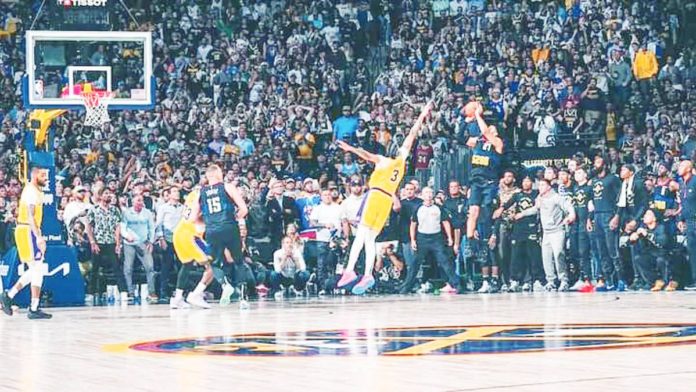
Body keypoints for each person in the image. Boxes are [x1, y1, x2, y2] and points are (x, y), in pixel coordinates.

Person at [336, 101, 433, 295]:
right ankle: (367, 274)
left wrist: (350, 148)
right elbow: (412, 135)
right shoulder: (401, 162)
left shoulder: (383, 160)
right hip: (387, 200)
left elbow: (365, 155)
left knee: (360, 236)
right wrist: (423, 114)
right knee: (370, 239)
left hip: (375, 195)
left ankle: (349, 270)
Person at [188, 164, 248, 305]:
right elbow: (244, 209)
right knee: (239, 262)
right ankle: (244, 298)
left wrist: (207, 219)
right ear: (217, 174)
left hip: (212, 230)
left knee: (214, 264)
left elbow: (192, 218)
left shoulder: (200, 193)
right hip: (229, 227)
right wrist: (236, 218)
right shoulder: (227, 187)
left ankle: (225, 284)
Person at [0, 167, 52, 319]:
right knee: (37, 268)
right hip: (27, 230)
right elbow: (30, 216)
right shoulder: (30, 191)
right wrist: (39, 237)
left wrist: (39, 234)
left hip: (30, 230)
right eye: (43, 175)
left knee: (37, 269)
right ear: (35, 175)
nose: (46, 178)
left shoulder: (37, 191)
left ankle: (14, 298)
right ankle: (26, 304)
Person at [519, 178, 575, 291]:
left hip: (557, 231)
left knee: (559, 255)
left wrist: (571, 216)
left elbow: (568, 206)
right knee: (546, 257)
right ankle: (551, 281)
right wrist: (522, 214)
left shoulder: (556, 197)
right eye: (539, 185)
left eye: (543, 185)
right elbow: (536, 209)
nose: (540, 187)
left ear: (549, 186)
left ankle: (563, 280)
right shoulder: (540, 199)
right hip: (546, 233)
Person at [465, 104, 504, 266]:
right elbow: (463, 138)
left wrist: (478, 115)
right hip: (476, 180)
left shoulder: (498, 142)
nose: (490, 130)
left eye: (493, 129)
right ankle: (469, 242)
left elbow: (487, 131)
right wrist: (467, 121)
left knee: (486, 212)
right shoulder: (478, 141)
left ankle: (485, 244)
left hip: (489, 182)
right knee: (473, 211)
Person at [402, 187, 461, 294]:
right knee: (415, 264)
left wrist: (449, 237)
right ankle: (406, 287)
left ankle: (456, 284)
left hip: (436, 238)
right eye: (426, 193)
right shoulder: (418, 208)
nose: (428, 195)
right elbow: (413, 224)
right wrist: (413, 239)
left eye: (430, 193)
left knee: (445, 262)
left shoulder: (438, 208)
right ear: (422, 195)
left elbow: (445, 222)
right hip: (422, 238)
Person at [169, 187, 215, 309]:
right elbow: (198, 218)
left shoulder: (192, 194)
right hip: (192, 236)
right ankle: (196, 294)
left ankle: (177, 299)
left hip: (178, 233)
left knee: (187, 264)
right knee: (214, 265)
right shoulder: (205, 199)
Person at [121, 194, 157, 302]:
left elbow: (151, 227)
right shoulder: (126, 213)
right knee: (128, 268)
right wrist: (127, 236)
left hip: (143, 243)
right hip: (129, 244)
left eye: (141, 201)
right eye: (138, 201)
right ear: (133, 202)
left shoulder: (147, 213)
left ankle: (151, 292)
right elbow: (122, 227)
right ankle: (130, 292)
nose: (140, 203)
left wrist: (151, 242)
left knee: (150, 267)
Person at [630, 209, 675, 292]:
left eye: (648, 214)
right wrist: (634, 238)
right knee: (639, 259)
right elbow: (642, 247)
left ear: (654, 218)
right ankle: (652, 282)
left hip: (662, 254)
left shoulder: (661, 227)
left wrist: (648, 234)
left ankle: (666, 282)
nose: (645, 216)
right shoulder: (643, 228)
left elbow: (662, 243)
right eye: (645, 215)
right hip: (650, 254)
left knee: (660, 260)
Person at [677, 159, 696, 291]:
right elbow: (683, 204)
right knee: (692, 251)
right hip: (688, 222)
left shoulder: (695, 181)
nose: (679, 168)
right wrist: (681, 219)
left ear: (689, 168)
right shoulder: (682, 183)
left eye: (682, 165)